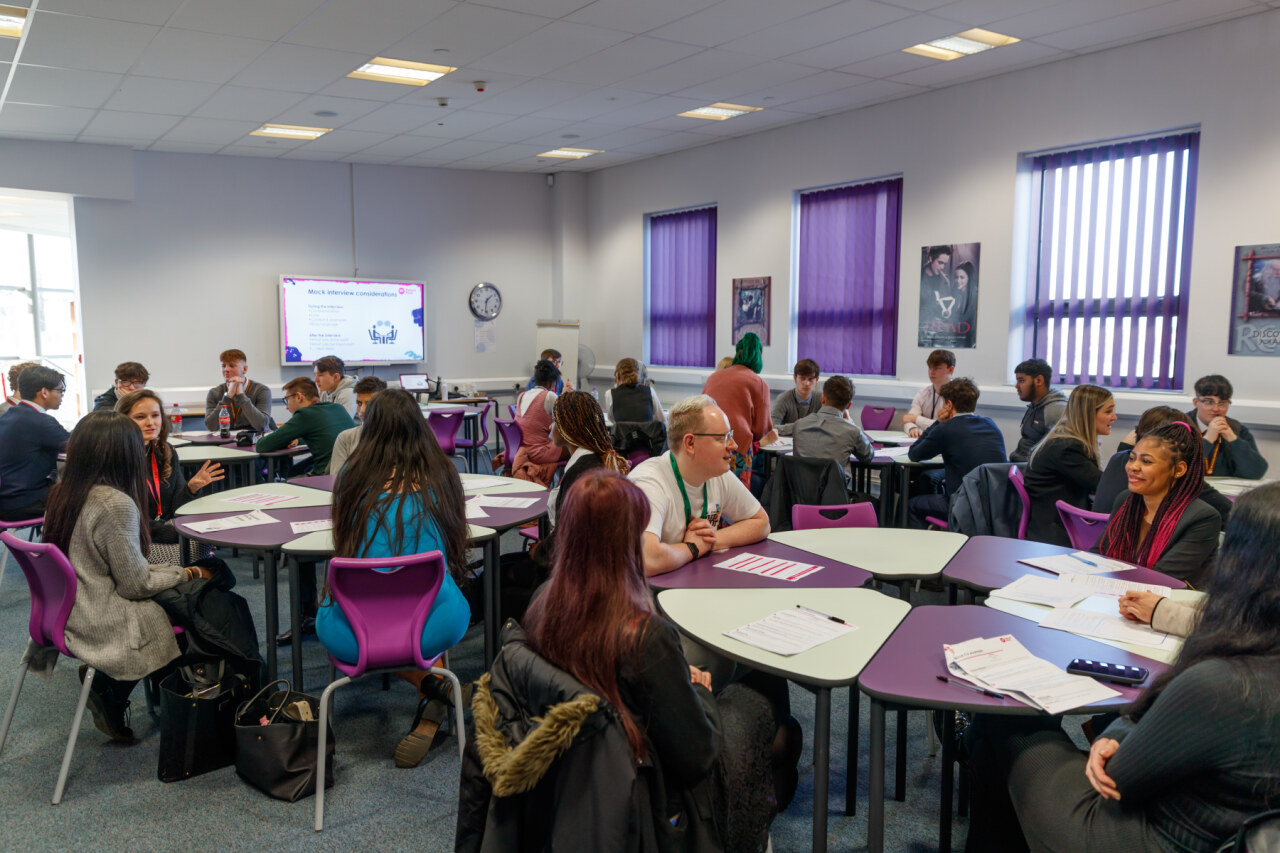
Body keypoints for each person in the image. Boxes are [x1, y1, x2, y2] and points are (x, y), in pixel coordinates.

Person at [457, 470, 776, 851]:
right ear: (627, 542)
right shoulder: (645, 635)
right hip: (642, 795)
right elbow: (696, 756)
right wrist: (695, 687)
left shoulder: (543, 601)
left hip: (564, 780)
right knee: (759, 709)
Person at [964, 481, 1280, 853]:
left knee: (1003, 715)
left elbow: (1119, 778)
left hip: (1144, 834)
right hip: (1226, 826)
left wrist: (1120, 736)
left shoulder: (1224, 683)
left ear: (1242, 565)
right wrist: (1121, 729)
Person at [41, 412, 217, 743]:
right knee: (205, 592)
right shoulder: (113, 502)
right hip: (100, 612)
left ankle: (121, 689)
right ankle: (162, 700)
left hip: (68, 606)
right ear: (123, 452)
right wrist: (189, 571)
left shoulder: (63, 491)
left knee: (189, 582)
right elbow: (135, 585)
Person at [318, 390, 472, 768]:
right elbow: (455, 550)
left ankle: (431, 689)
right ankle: (434, 686)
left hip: (357, 633)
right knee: (443, 592)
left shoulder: (351, 477)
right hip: (434, 623)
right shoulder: (443, 473)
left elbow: (345, 547)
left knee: (332, 611)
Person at [629, 395, 770, 577]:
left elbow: (761, 523)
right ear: (690, 443)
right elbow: (647, 560)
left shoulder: (718, 474)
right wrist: (692, 547)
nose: (733, 445)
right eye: (722, 438)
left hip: (686, 582)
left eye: (731, 436)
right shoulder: (649, 483)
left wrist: (710, 541)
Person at [1094, 422, 1221, 586]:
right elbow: (1099, 554)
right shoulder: (1126, 500)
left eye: (1146, 462)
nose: (1133, 467)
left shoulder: (1202, 518)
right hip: (1122, 595)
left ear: (1178, 470)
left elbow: (1161, 579)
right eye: (1132, 458)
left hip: (1169, 604)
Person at [115, 389, 224, 563]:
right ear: (122, 421)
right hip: (135, 538)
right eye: (140, 417)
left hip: (164, 528)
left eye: (155, 415)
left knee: (208, 537)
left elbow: (176, 508)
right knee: (201, 553)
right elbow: (129, 521)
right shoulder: (117, 459)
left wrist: (191, 489)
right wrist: (179, 534)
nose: (150, 423)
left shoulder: (164, 451)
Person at [1095, 406, 1232, 526]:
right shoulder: (1172, 474)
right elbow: (1229, 511)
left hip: (1090, 540)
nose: (1134, 467)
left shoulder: (1118, 458)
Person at [906, 378, 1007, 528]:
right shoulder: (990, 424)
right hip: (996, 506)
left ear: (949, 405)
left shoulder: (946, 428)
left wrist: (938, 422)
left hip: (963, 506)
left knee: (911, 505)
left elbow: (914, 454)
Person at [1023, 384, 1116, 547]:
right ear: (1088, 415)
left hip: (1050, 523)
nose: (1114, 417)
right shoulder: (1067, 448)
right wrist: (1126, 449)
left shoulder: (1065, 440)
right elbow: (1105, 486)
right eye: (1108, 411)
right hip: (1054, 534)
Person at [700, 333, 777, 487]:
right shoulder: (759, 383)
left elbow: (700, 408)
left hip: (706, 442)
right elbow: (762, 430)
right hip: (736, 448)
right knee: (736, 499)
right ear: (758, 355)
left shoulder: (714, 377)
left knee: (709, 492)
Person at [547, 391, 630, 527]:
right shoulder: (598, 458)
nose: (550, 426)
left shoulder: (579, 472)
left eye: (554, 421)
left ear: (568, 428)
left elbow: (565, 531)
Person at [0, 365, 70, 521]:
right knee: (85, 501)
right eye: (60, 391)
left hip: (6, 499)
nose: (62, 396)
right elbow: (81, 446)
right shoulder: (40, 421)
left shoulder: (11, 413)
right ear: (44, 392)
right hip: (23, 502)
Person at [255, 377, 354, 477]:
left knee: (287, 480)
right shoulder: (337, 408)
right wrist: (298, 440)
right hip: (351, 472)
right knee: (294, 471)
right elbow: (322, 436)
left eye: (287, 400)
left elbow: (262, 446)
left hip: (328, 475)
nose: (286, 406)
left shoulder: (304, 415)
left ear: (299, 397)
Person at [791, 374, 874, 489]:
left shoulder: (799, 425)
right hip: (834, 499)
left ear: (823, 398)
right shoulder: (852, 430)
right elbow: (868, 456)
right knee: (874, 502)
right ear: (849, 405)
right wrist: (851, 423)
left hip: (799, 496)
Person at [1186, 374, 1268, 479]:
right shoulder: (1180, 427)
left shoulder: (1237, 429)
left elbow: (1256, 473)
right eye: (1209, 402)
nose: (1216, 409)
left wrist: (1233, 439)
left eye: (1222, 403)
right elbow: (1177, 470)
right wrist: (1207, 439)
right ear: (1195, 402)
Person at [512, 359, 570, 487]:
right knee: (575, 447)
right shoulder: (549, 396)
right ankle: (563, 488)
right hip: (538, 452)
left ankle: (559, 485)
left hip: (520, 449)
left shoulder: (522, 395)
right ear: (552, 382)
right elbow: (565, 421)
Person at [1009, 358, 1067, 462]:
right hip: (1019, 464)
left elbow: (1060, 454)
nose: (1016, 386)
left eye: (1021, 381)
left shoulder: (1056, 410)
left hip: (1033, 472)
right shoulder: (1035, 405)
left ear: (1038, 381)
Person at [328, 374, 387, 474]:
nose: (362, 410)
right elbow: (336, 479)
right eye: (359, 404)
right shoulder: (346, 438)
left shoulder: (396, 437)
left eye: (369, 404)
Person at [204, 348, 273, 432]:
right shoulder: (214, 393)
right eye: (223, 366)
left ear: (244, 369)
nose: (226, 369)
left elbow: (261, 425)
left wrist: (241, 395)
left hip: (253, 438)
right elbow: (211, 426)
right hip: (225, 439)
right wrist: (228, 396)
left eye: (232, 366)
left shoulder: (261, 390)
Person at [904, 349, 956, 438]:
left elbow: (948, 427)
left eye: (937, 368)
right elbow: (908, 419)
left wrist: (916, 419)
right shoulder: (922, 394)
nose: (931, 372)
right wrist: (912, 428)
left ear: (950, 369)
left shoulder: (959, 394)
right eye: (930, 368)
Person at [603, 357, 665, 425]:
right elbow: (662, 420)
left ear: (617, 375)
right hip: (647, 435)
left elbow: (612, 420)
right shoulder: (650, 391)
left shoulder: (610, 394)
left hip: (621, 435)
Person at [771, 358, 822, 436]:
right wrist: (800, 425)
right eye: (802, 378)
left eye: (811, 379)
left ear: (817, 379)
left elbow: (828, 425)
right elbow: (772, 428)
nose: (807, 383)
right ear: (795, 378)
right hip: (789, 443)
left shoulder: (821, 399)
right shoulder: (783, 398)